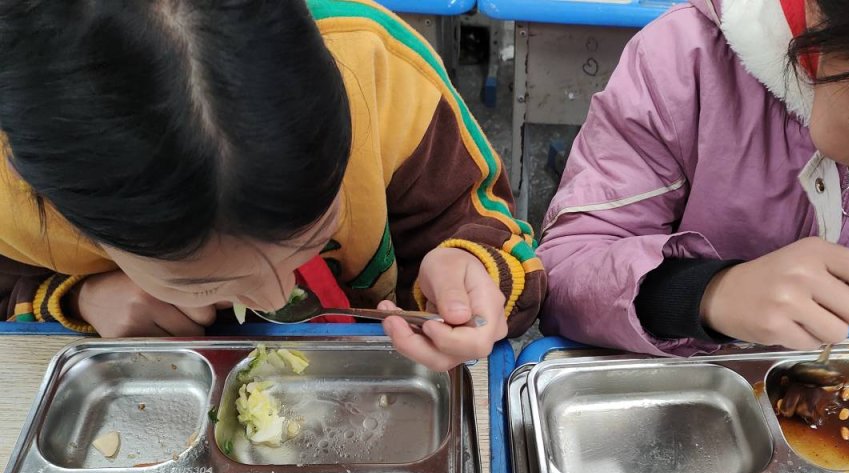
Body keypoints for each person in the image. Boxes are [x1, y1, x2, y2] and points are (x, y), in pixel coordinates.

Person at [536, 0, 849, 439]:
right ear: (819, 12)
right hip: (679, 412)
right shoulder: (686, 65)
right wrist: (709, 294)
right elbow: (563, 275)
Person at [0, 0, 545, 372]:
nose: (279, 299)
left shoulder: (379, 73)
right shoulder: (17, 186)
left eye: (318, 235)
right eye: (205, 284)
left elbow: (484, 226)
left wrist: (472, 268)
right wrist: (77, 299)